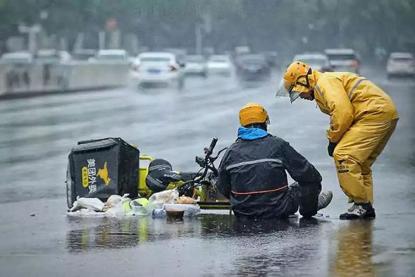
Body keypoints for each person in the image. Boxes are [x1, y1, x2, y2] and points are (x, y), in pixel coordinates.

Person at [279, 61, 399, 220]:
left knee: (343, 155)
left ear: (304, 81)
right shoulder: (324, 83)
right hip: (384, 112)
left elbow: (343, 113)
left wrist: (333, 139)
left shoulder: (324, 83)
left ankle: (362, 205)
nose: (300, 96)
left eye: (299, 91)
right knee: (360, 163)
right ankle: (364, 205)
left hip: (373, 113)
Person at [216, 103, 333, 219]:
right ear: (265, 122)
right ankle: (309, 210)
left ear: (243, 125)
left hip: (243, 212)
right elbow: (308, 174)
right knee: (311, 180)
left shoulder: (230, 152)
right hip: (279, 210)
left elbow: (222, 186)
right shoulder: (278, 145)